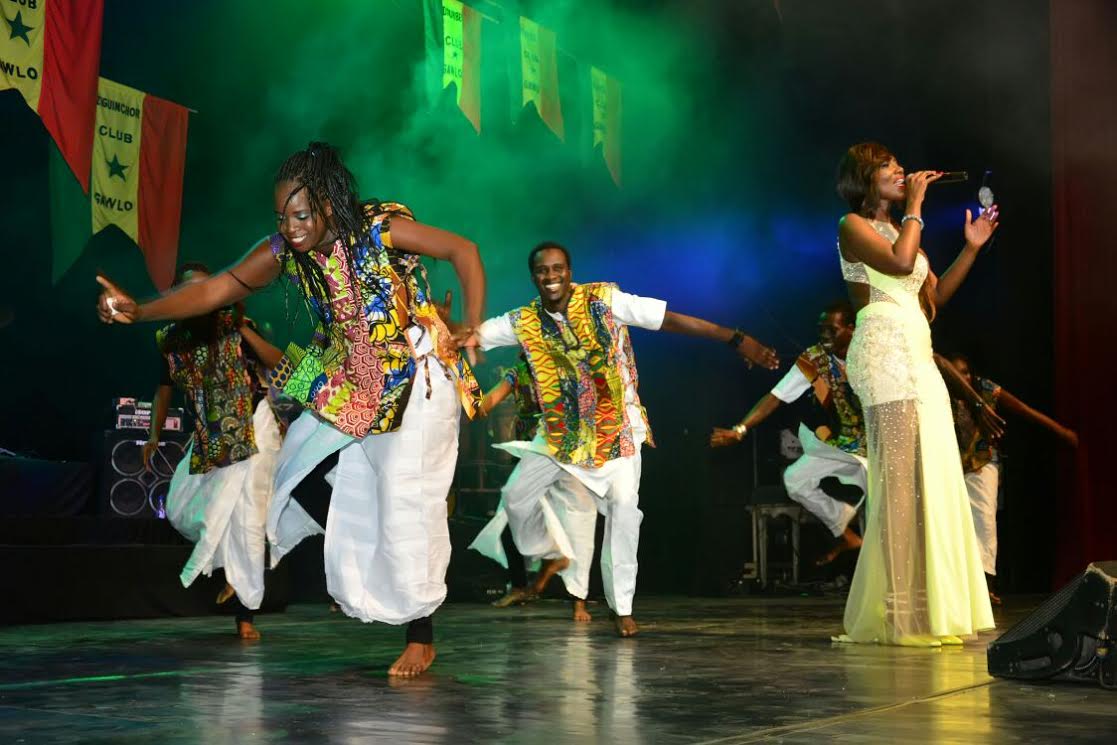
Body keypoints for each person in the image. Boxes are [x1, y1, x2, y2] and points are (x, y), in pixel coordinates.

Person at [97, 142, 485, 677]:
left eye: (300, 214)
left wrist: (471, 325)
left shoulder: (378, 229)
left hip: (413, 373)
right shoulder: (284, 250)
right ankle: (343, 548)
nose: (291, 227)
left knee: (403, 500)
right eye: (282, 216)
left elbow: (464, 251)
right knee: (290, 477)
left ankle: (421, 633)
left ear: (327, 203)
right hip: (346, 377)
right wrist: (140, 310)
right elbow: (215, 289)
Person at [469, 241, 779, 637]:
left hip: (616, 428)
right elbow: (473, 337)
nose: (551, 277)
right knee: (515, 497)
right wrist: (444, 328)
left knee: (623, 511)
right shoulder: (523, 321)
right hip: (561, 432)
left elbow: (669, 319)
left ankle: (622, 607)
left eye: (558, 268)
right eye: (543, 271)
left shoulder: (603, 300)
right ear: (534, 276)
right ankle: (548, 554)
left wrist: (735, 338)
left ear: (570, 271)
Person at [834, 142, 1002, 646]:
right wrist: (915, 210)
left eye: (899, 166)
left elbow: (932, 301)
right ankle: (899, 613)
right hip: (884, 351)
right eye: (889, 167)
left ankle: (932, 605)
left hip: (917, 348)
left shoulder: (907, 232)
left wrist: (971, 248)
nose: (901, 171)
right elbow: (900, 263)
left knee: (933, 480)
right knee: (900, 485)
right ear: (865, 178)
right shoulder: (853, 226)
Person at [144, 262, 284, 640]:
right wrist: (153, 435)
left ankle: (245, 614)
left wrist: (242, 329)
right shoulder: (170, 338)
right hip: (212, 435)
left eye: (208, 288)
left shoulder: (236, 326)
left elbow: (280, 365)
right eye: (191, 290)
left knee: (248, 520)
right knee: (180, 508)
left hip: (254, 427)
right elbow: (164, 389)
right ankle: (229, 569)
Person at [710, 301, 867, 566]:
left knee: (886, 506)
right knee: (795, 479)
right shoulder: (814, 358)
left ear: (851, 329)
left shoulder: (870, 353)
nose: (825, 335)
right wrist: (741, 429)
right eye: (821, 330)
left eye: (832, 329)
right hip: (834, 444)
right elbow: (776, 396)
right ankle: (845, 532)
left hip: (872, 448)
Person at [944, 352, 1079, 604]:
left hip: (982, 461)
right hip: (950, 465)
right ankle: (957, 589)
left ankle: (986, 586)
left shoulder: (984, 390)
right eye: (956, 373)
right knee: (953, 525)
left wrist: (1062, 432)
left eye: (965, 372)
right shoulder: (940, 393)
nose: (962, 377)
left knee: (983, 522)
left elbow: (1023, 409)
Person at [470, 356, 598, 621]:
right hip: (535, 454)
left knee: (579, 522)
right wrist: (475, 406)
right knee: (509, 511)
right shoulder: (517, 374)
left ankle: (579, 602)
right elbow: (492, 399)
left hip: (568, 452)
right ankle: (522, 584)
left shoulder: (566, 366)